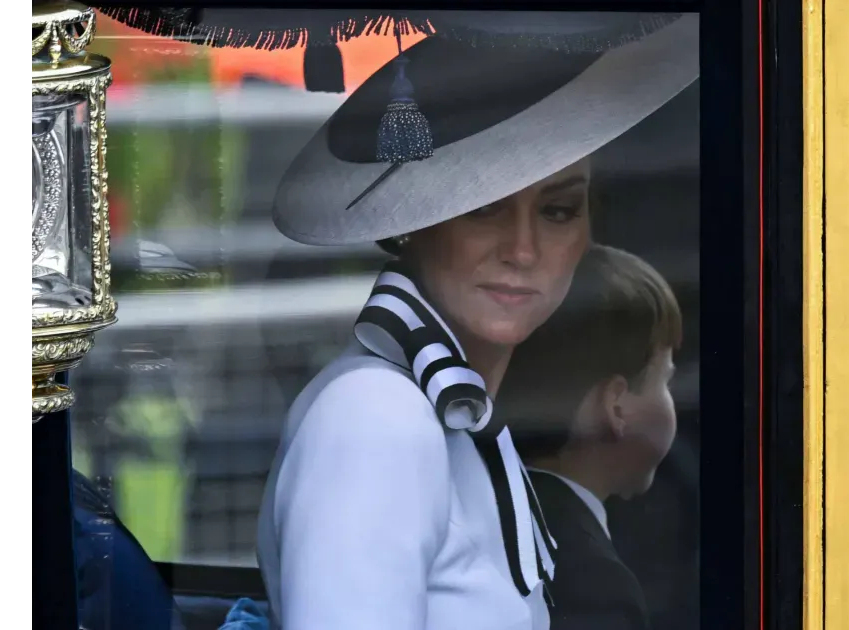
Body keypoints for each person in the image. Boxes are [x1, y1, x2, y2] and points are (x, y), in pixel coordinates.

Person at [256, 14, 699, 630]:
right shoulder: (376, 414)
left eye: (559, 209)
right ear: (418, 224)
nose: (522, 249)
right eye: (484, 208)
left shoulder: (463, 424)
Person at [497, 244, 683, 630]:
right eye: (664, 380)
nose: (671, 399)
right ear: (616, 406)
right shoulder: (595, 583)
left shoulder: (496, 511)